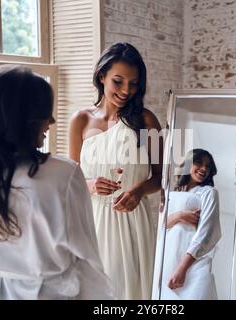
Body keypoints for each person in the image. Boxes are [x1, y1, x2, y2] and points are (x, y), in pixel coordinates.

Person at [0, 65, 113, 300]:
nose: (52, 120)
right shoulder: (63, 176)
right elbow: (88, 262)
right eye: (44, 112)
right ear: (22, 119)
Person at [69, 42, 163, 299]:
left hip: (133, 220)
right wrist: (89, 185)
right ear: (102, 77)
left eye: (133, 84)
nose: (126, 91)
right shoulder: (80, 120)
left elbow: (159, 177)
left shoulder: (146, 120)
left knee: (130, 291)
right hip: (93, 221)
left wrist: (140, 189)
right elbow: (71, 179)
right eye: (118, 82)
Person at [152, 149, 221, 300]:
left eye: (208, 166)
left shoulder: (208, 192)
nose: (203, 168)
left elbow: (206, 233)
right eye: (199, 163)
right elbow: (157, 227)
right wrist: (179, 216)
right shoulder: (169, 192)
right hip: (166, 257)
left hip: (191, 262)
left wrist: (182, 269)